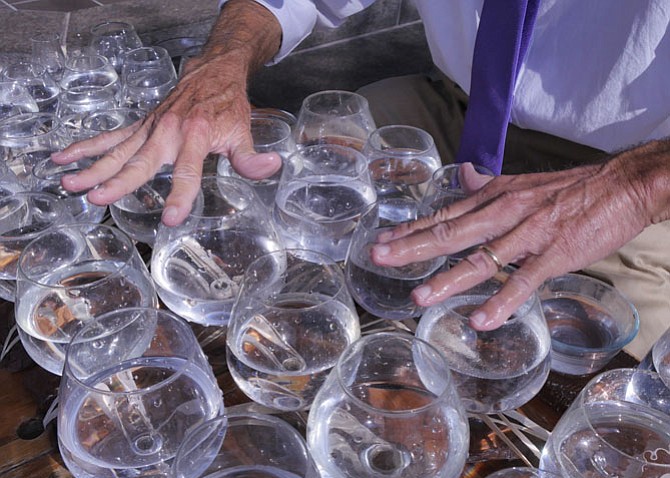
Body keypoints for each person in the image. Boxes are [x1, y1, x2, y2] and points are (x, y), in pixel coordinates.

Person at [52, 0, 670, 360]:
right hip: (459, 103)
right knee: (266, 193)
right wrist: (220, 64)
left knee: (622, 368)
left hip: (635, 172)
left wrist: (638, 186)